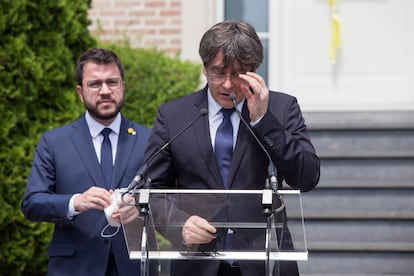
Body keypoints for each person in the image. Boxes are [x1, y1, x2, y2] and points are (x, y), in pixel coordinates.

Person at [143, 20, 320, 276]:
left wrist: (264, 120)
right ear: (204, 69)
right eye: (218, 72)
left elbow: (307, 176)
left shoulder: (282, 109)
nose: (227, 84)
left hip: (265, 263)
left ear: (254, 71)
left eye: (237, 74)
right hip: (197, 264)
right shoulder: (174, 116)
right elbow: (152, 190)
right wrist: (179, 224)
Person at [21, 48, 153, 275]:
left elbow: (170, 197)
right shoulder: (54, 142)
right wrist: (75, 202)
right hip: (74, 267)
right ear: (80, 92)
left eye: (112, 82)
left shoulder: (149, 140)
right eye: (95, 84)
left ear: (123, 86)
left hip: (133, 267)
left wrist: (140, 207)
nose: (105, 91)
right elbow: (32, 203)